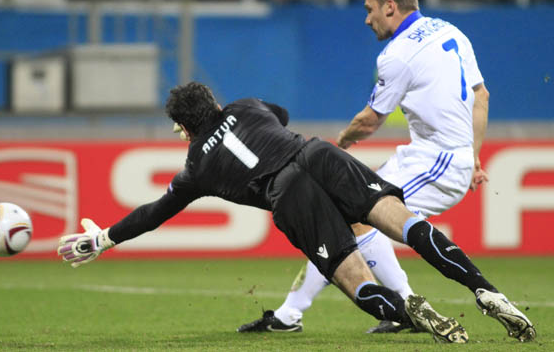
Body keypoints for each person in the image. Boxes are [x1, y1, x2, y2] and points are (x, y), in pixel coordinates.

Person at [58, 82, 535, 344]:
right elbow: (280, 113)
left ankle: (414, 312)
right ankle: (487, 292)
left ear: (183, 127)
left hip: (288, 193)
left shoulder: (195, 168)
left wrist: (102, 239)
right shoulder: (245, 105)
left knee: (356, 280)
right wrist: (248, 120)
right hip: (318, 155)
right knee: (406, 224)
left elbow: (153, 213)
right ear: (215, 102)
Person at [237, 0, 493, 335]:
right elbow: (481, 97)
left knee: (351, 219)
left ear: (391, 7)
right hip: (442, 155)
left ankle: (399, 307)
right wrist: (475, 155)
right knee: (343, 219)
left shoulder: (398, 53)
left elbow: (370, 121)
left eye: (370, 8)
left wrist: (341, 143)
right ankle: (293, 314)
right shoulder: (451, 31)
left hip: (435, 158)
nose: (366, 17)